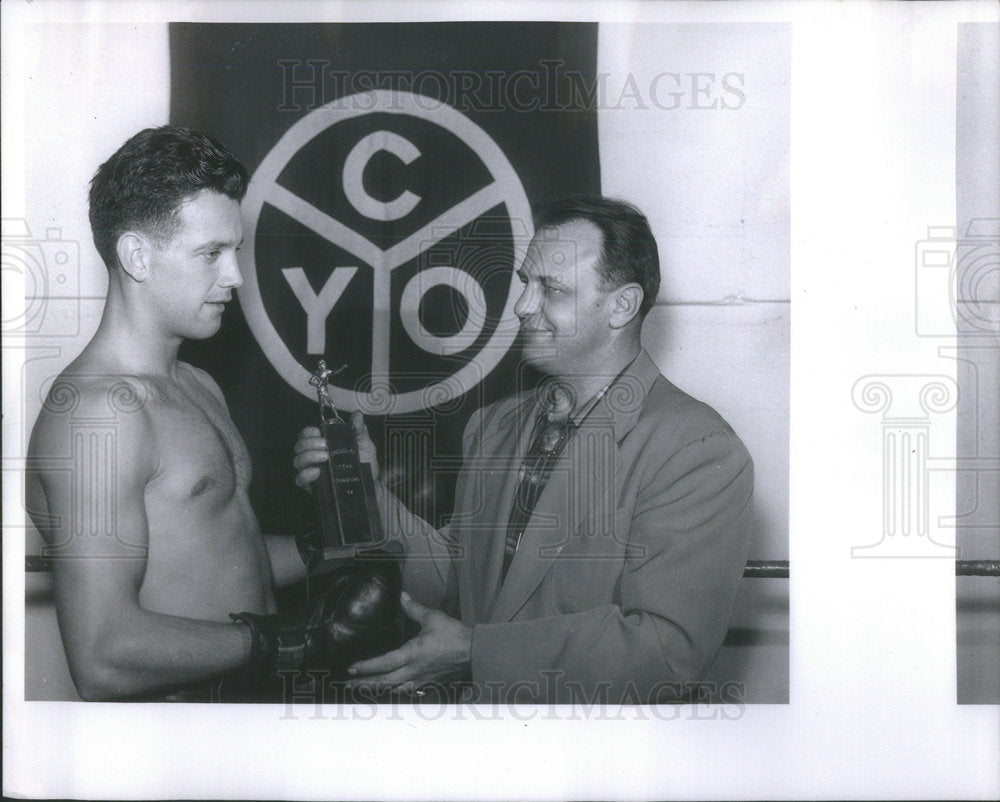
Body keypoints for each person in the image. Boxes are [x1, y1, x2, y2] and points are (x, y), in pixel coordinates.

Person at [294, 196, 754, 704]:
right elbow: (456, 580)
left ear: (622, 306)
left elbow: (667, 650)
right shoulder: (494, 425)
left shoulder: (695, 449)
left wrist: (477, 652)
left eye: (551, 289)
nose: (522, 306)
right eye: (525, 283)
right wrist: (363, 492)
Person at [26, 126, 401, 702]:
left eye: (235, 251)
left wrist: (320, 548)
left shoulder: (196, 383)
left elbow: (211, 560)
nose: (235, 277)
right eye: (211, 254)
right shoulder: (98, 415)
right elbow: (103, 655)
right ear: (136, 256)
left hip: (250, 712)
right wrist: (299, 643)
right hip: (177, 735)